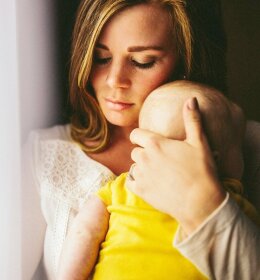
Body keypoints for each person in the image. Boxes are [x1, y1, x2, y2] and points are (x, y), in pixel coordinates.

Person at [21, 1, 260, 279]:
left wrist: (206, 204)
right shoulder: (46, 155)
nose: (115, 80)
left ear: (185, 60)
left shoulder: (248, 146)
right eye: (101, 57)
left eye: (141, 62)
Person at [56, 80, 260, 280]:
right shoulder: (233, 207)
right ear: (213, 159)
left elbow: (84, 232)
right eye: (239, 148)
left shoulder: (122, 188)